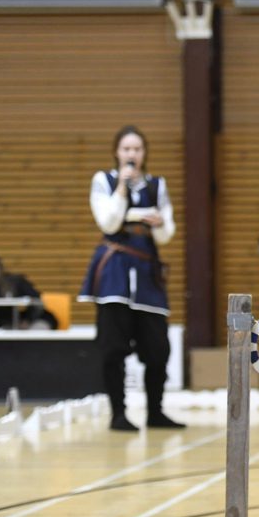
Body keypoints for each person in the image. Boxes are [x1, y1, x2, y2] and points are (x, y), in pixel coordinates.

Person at [78, 125, 184, 432]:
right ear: (117, 152)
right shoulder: (104, 180)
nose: (132, 154)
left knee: (158, 348)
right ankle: (118, 414)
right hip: (114, 275)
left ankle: (155, 412)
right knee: (113, 348)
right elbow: (109, 222)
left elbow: (165, 236)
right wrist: (123, 189)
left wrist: (160, 222)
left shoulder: (156, 186)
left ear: (144, 153)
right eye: (126, 149)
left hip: (147, 275)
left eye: (137, 149)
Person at [0, 254, 58, 330]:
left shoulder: (15, 281)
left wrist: (28, 319)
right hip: (6, 324)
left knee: (36, 332)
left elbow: (36, 300)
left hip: (31, 319)